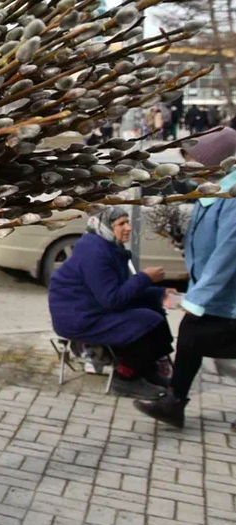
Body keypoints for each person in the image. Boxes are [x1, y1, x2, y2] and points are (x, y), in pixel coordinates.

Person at [134, 127, 236, 428]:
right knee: (192, 337)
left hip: (226, 295)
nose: (188, 167)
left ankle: (174, 403)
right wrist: (182, 241)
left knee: (193, 335)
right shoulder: (215, 192)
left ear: (215, 163)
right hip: (221, 294)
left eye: (193, 161)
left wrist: (197, 298)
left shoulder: (232, 196)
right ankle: (174, 403)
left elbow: (228, 252)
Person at [49, 207, 177, 398]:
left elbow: (122, 290)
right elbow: (113, 299)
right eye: (121, 224)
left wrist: (159, 294)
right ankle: (125, 378)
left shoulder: (108, 246)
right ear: (105, 227)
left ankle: (146, 370)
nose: (128, 228)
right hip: (80, 318)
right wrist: (145, 278)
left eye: (127, 222)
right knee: (147, 321)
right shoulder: (95, 253)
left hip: (93, 309)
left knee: (154, 313)